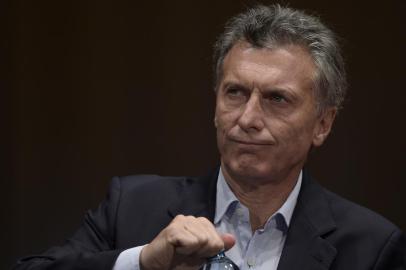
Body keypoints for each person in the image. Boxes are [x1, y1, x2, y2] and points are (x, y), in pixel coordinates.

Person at [13, 4, 405, 270]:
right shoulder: (131, 207)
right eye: (235, 92)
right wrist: (144, 261)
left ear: (323, 123)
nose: (248, 118)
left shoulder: (372, 247)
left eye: (276, 99)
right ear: (215, 103)